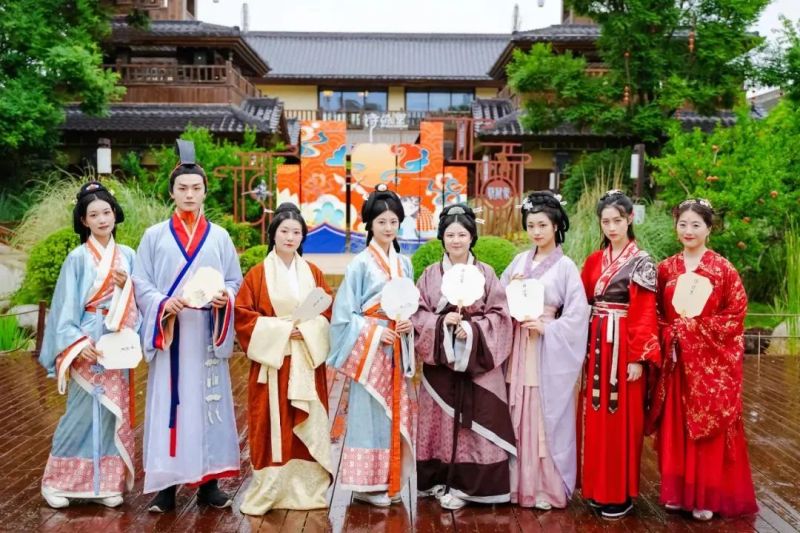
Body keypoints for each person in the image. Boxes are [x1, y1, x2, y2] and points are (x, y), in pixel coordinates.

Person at [133, 140, 243, 512]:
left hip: (206, 334)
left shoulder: (220, 236)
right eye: (183, 188)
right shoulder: (154, 236)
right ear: (172, 192)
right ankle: (166, 486)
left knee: (208, 406)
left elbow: (235, 280)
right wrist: (163, 304)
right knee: (171, 405)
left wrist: (225, 297)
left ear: (205, 192)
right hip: (172, 334)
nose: (190, 194)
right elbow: (141, 282)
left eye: (196, 188)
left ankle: (209, 484)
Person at [647, 199, 758, 520]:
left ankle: (706, 495)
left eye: (696, 225)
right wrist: (670, 333)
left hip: (709, 366)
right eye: (683, 224)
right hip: (676, 362)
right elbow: (654, 313)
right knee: (676, 426)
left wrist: (693, 330)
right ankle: (679, 492)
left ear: (709, 229)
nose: (689, 230)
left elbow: (735, 315)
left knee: (705, 428)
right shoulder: (666, 269)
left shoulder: (723, 269)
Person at [39, 182, 139, 509]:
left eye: (106, 212)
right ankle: (56, 482)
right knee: (80, 412)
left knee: (111, 412)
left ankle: (106, 484)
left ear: (115, 214)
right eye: (93, 214)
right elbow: (64, 306)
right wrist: (77, 342)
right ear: (83, 220)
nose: (101, 219)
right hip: (87, 341)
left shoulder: (129, 256)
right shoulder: (77, 258)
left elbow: (140, 302)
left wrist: (127, 287)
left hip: (116, 341)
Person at [412, 204, 515, 510]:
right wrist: (442, 324)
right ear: (442, 238)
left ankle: (472, 486)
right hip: (440, 367)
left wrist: (471, 330)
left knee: (477, 422)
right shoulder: (430, 275)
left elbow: (501, 316)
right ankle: (440, 480)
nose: (456, 240)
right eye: (450, 234)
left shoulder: (487, 273)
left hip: (478, 366)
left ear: (472, 237)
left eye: (462, 234)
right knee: (441, 423)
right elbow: (418, 314)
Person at [234, 203, 333, 514]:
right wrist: (282, 330)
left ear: (302, 237)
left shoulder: (313, 273)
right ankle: (272, 489)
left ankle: (308, 489)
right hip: (273, 362)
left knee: (305, 421)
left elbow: (328, 313)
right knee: (271, 424)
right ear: (273, 234)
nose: (290, 237)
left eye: (296, 232)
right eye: (284, 231)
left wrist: (309, 330)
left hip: (305, 358)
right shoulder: (257, 274)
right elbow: (243, 317)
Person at [327, 183, 415, 507]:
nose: (388, 228)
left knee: (392, 414)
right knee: (368, 413)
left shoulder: (404, 264)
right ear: (370, 225)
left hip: (396, 346)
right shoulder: (360, 263)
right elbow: (343, 315)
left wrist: (407, 326)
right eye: (381, 222)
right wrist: (375, 333)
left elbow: (409, 304)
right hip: (370, 348)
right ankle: (366, 485)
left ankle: (391, 479)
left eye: (393, 221)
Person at [501, 191, 590, 510]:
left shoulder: (566, 266)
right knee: (518, 410)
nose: (536, 232)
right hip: (519, 344)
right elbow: (498, 299)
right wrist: (511, 290)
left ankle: (545, 488)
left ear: (555, 226)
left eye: (542, 225)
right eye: (531, 226)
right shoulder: (518, 262)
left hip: (546, 345)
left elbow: (578, 315)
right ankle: (516, 485)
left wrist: (548, 328)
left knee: (543, 413)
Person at [579, 190, 661, 519]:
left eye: (617, 220)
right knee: (597, 415)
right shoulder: (593, 261)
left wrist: (638, 358)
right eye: (605, 221)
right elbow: (580, 300)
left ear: (630, 219)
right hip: (597, 342)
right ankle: (597, 489)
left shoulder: (642, 261)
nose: (611, 227)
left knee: (623, 419)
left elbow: (645, 312)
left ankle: (620, 494)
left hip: (625, 344)